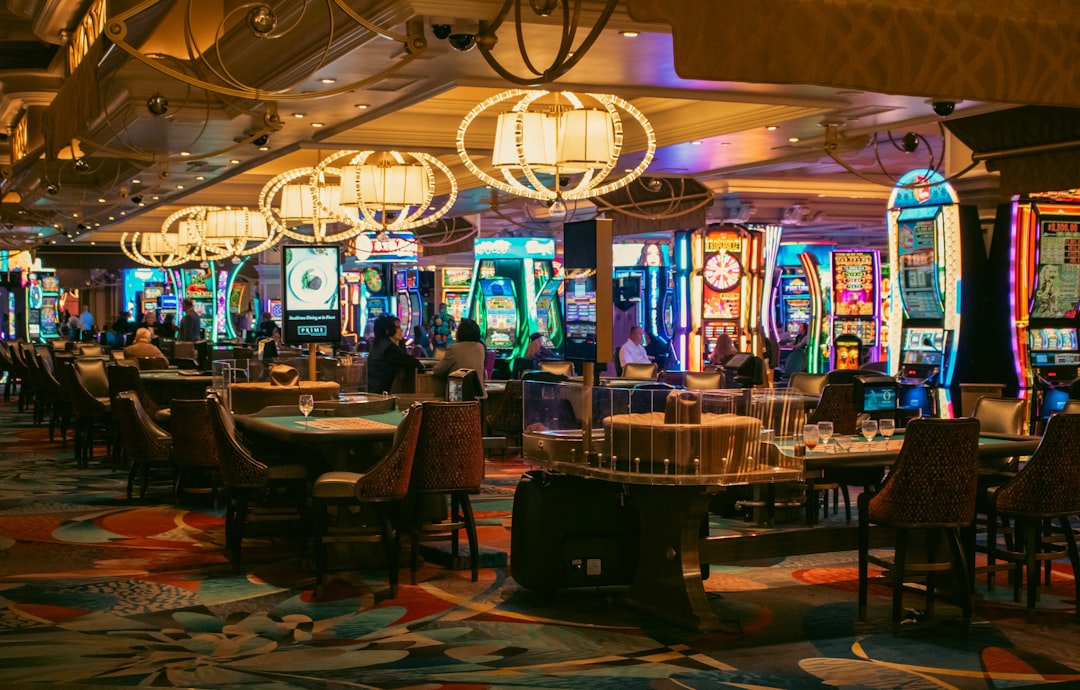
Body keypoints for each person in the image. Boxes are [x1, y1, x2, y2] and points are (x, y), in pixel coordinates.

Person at [367, 314, 424, 395]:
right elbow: (414, 363)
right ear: (388, 331)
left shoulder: (379, 344)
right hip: (379, 394)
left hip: (373, 391)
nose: (401, 330)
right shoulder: (389, 349)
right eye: (397, 327)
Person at [432, 318, 487, 397]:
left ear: (461, 333)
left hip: (457, 396)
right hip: (478, 396)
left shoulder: (454, 349)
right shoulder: (480, 347)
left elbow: (438, 371)